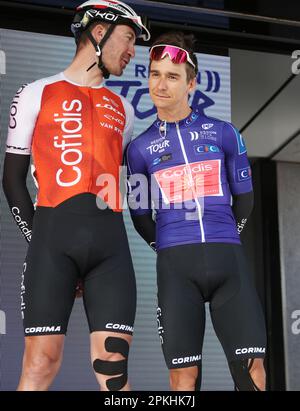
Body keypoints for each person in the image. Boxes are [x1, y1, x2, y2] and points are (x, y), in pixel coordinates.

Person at [2, 0, 150, 391]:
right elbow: (13, 181)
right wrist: (42, 241)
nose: (133, 52)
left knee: (114, 367)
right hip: (52, 238)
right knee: (40, 365)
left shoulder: (126, 109)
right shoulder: (34, 93)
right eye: (129, 38)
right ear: (99, 33)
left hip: (110, 245)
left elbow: (115, 183)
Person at [126, 32, 267, 391]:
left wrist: (225, 235)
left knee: (251, 371)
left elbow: (245, 200)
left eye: (172, 76)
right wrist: (170, 245)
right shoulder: (139, 148)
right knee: (182, 379)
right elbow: (140, 215)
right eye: (155, 74)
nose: (161, 84)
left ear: (192, 83)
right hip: (175, 268)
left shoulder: (223, 133)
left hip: (227, 262)